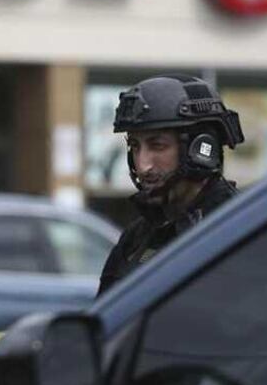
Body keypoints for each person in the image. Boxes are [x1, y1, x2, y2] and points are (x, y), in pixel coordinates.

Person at [97, 75, 244, 296]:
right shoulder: (137, 237)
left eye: (157, 146)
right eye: (135, 146)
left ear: (201, 149)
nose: (143, 165)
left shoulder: (241, 227)